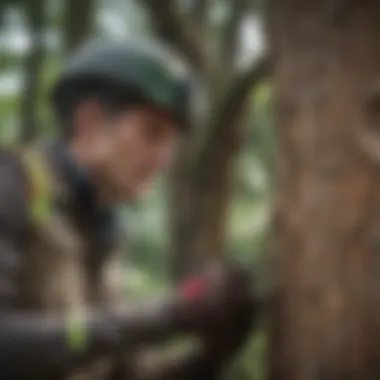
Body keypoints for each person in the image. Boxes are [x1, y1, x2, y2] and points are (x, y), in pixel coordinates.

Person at [0, 38, 257, 379]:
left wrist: (210, 355)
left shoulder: (106, 232)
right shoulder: (13, 186)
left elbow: (119, 371)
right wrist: (167, 316)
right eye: (152, 133)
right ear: (89, 122)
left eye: (171, 143)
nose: (164, 159)